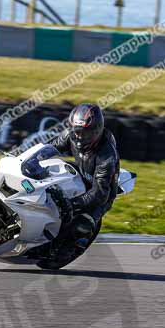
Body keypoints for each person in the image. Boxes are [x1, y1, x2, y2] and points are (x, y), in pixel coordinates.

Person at [39, 103, 120, 268]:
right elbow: (49, 148)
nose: (80, 137)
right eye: (76, 131)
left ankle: (69, 248)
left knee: (82, 223)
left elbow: (100, 193)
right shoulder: (71, 135)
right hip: (81, 173)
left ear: (96, 131)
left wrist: (72, 204)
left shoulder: (106, 156)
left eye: (85, 133)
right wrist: (27, 159)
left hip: (101, 192)